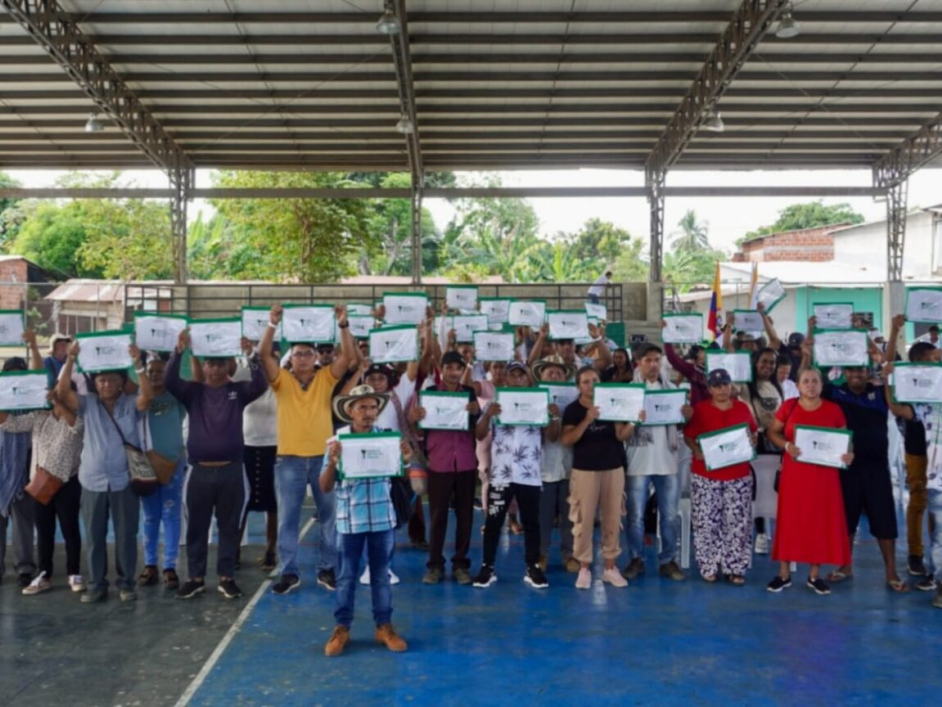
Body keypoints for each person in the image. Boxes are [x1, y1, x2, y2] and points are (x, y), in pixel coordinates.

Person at [258, 304, 355, 595]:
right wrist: (272, 323)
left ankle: (327, 569)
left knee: (329, 516)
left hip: (324, 458)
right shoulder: (282, 381)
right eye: (297, 353)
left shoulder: (326, 378)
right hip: (289, 460)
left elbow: (348, 356)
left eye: (307, 353)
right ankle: (289, 572)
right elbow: (264, 355)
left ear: (315, 357)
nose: (302, 358)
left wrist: (343, 323)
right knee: (288, 518)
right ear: (291, 357)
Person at [165, 330, 267, 600]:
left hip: (232, 470)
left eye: (221, 363)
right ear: (204, 366)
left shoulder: (237, 391)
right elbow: (169, 380)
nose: (215, 368)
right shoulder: (192, 392)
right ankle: (196, 577)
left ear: (228, 367)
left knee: (229, 526)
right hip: (199, 471)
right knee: (197, 526)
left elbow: (261, 385)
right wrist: (178, 351)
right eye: (210, 363)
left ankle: (226, 577)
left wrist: (252, 355)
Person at [806, 321, 907, 592]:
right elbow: (810, 375)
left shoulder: (880, 394)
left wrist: (869, 337)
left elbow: (887, 366)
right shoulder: (835, 393)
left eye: (860, 370)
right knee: (846, 518)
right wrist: (812, 337)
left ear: (866, 371)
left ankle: (891, 572)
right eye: (851, 370)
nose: (856, 375)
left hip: (876, 468)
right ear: (845, 372)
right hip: (846, 467)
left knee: (884, 520)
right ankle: (845, 565)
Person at [56, 342, 153, 603]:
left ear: (121, 383)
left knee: (126, 536)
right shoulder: (87, 404)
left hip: (124, 480)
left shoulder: (131, 404)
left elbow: (148, 397)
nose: (106, 385)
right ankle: (97, 584)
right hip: (91, 481)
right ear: (94, 383)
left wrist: (138, 365)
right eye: (101, 381)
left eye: (111, 380)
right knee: (95, 536)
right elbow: (62, 392)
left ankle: (126, 584)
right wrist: (70, 360)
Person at [321, 385, 411, 656]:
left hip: (383, 519)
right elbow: (324, 487)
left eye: (373, 407)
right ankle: (342, 628)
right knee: (346, 577)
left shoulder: (388, 440)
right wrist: (333, 463)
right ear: (350, 410)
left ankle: (384, 626)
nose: (369, 413)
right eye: (362, 407)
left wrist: (405, 461)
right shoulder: (337, 442)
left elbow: (401, 478)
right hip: (350, 522)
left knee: (381, 576)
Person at [765, 367, 853, 595]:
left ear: (822, 385)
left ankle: (814, 575)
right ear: (798, 385)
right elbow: (772, 432)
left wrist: (848, 453)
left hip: (825, 476)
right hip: (795, 474)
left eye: (815, 381)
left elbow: (846, 440)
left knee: (819, 521)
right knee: (789, 519)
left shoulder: (834, 410)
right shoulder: (789, 406)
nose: (811, 385)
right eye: (806, 381)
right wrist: (786, 446)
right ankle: (783, 574)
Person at [472, 361, 550, 589]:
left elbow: (552, 436)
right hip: (501, 474)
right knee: (494, 521)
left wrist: (552, 417)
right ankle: (487, 567)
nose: (517, 379)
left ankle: (532, 567)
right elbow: (478, 434)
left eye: (521, 375)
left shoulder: (539, 403)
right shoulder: (494, 404)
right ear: (505, 379)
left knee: (531, 522)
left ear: (527, 379)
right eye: (512, 375)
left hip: (529, 473)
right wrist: (488, 415)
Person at [1, 386, 85, 596]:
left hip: (66, 483)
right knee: (44, 532)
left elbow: (76, 427)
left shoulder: (77, 418)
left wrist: (57, 401)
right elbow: (10, 423)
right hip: (40, 484)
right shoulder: (39, 416)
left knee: (70, 531)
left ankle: (73, 572)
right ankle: (44, 574)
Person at [562, 366, 639, 589]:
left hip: (613, 468)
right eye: (585, 381)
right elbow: (567, 440)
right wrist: (587, 420)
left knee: (613, 518)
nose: (591, 384)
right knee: (583, 520)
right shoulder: (573, 410)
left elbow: (620, 435)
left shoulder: (611, 404)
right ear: (578, 386)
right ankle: (584, 568)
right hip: (584, 471)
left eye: (594, 379)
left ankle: (610, 568)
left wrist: (633, 421)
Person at [409, 350, 481, 585]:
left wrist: (476, 413)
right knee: (438, 516)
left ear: (462, 371)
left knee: (465, 517)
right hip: (439, 463)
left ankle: (461, 564)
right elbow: (419, 430)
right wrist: (415, 417)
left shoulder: (470, 395)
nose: (453, 372)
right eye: (449, 368)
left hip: (466, 463)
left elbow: (477, 430)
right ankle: (435, 565)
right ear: (441, 369)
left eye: (458, 368)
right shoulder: (429, 395)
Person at [623, 344, 692, 582]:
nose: (653, 365)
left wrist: (686, 415)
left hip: (667, 462)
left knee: (669, 515)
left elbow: (680, 424)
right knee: (635, 516)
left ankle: (668, 560)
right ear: (638, 363)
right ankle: (636, 558)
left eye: (657, 360)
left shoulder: (672, 390)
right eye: (648, 360)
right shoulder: (629, 393)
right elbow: (620, 429)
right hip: (638, 462)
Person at [683, 369, 758, 585]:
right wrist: (696, 449)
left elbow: (752, 432)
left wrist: (752, 441)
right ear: (709, 389)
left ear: (731, 385)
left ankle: (735, 567)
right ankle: (708, 565)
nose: (722, 389)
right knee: (706, 522)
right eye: (717, 386)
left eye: (725, 384)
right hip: (705, 474)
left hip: (739, 474)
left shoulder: (743, 408)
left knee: (737, 523)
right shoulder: (700, 410)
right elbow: (689, 437)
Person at [883, 361, 942, 608]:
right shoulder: (928, 407)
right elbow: (897, 408)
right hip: (939, 480)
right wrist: (887, 380)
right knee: (940, 536)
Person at [137, 352, 187, 590]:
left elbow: (195, 380)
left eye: (160, 370)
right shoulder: (139, 400)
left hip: (172, 464)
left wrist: (185, 352)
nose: (155, 374)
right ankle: (149, 564)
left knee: (171, 514)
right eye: (151, 371)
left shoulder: (177, 398)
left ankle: (169, 565)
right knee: (150, 516)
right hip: (145, 466)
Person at [233, 339, 279, 572]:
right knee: (242, 500)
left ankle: (270, 550)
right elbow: (232, 371)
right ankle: (235, 550)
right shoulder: (244, 375)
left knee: (272, 502)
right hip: (247, 445)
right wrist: (249, 353)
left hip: (274, 446)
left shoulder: (281, 377)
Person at [533, 355, 578, 573]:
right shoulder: (534, 401)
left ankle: (569, 555)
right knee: (543, 517)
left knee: (570, 516)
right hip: (544, 468)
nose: (554, 375)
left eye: (559, 372)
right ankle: (541, 554)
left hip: (571, 466)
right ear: (541, 376)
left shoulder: (575, 400)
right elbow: (546, 437)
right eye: (549, 372)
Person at [738, 347, 784, 555]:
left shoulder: (777, 386)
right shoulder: (746, 386)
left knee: (773, 487)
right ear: (755, 362)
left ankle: (776, 530)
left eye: (772, 363)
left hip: (776, 442)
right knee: (757, 488)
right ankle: (760, 533)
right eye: (764, 362)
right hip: (756, 442)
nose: (768, 366)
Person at [0, 355, 37, 588]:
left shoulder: (34, 404)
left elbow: (23, 426)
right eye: (10, 374)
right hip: (1, 468)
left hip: (24, 466)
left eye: (20, 374)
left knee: (23, 520)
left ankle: (24, 567)